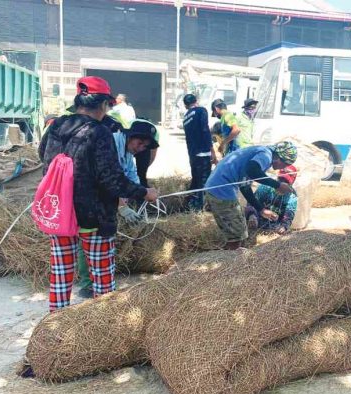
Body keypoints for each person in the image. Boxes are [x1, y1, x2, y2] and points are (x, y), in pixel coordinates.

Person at [38, 76, 158, 311]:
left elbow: (44, 158)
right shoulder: (99, 131)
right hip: (93, 215)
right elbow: (111, 180)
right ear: (104, 104)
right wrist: (144, 192)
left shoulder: (57, 126)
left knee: (61, 272)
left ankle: (56, 321)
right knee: (102, 274)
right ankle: (104, 323)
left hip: (59, 210)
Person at [75, 118, 159, 298]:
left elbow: (131, 177)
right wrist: (122, 205)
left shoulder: (127, 153)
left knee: (103, 240)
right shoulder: (109, 142)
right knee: (89, 236)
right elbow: (108, 180)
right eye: (140, 142)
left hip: (104, 200)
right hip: (88, 197)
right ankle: (88, 284)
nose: (140, 148)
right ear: (130, 136)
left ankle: (101, 283)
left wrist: (141, 193)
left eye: (145, 146)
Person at [205, 141, 297, 250]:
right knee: (237, 235)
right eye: (286, 164)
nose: (283, 167)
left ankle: (229, 254)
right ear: (279, 158)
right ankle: (228, 260)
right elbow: (252, 170)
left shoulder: (261, 154)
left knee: (241, 232)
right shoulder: (266, 155)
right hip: (221, 189)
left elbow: (245, 185)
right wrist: (277, 185)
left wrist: (261, 209)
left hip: (217, 186)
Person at [183, 94, 217, 211]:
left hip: (193, 154)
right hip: (203, 153)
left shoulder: (186, 116)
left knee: (196, 180)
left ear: (185, 105)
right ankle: (200, 207)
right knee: (204, 181)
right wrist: (212, 151)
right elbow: (205, 130)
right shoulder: (201, 110)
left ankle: (191, 204)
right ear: (196, 101)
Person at [245, 165, 298, 235]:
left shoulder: (292, 197)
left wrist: (284, 227)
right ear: (277, 177)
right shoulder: (266, 187)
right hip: (256, 219)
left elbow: (289, 216)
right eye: (281, 180)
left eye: (286, 182)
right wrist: (252, 215)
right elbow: (252, 202)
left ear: (292, 183)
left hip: (274, 226)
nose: (283, 183)